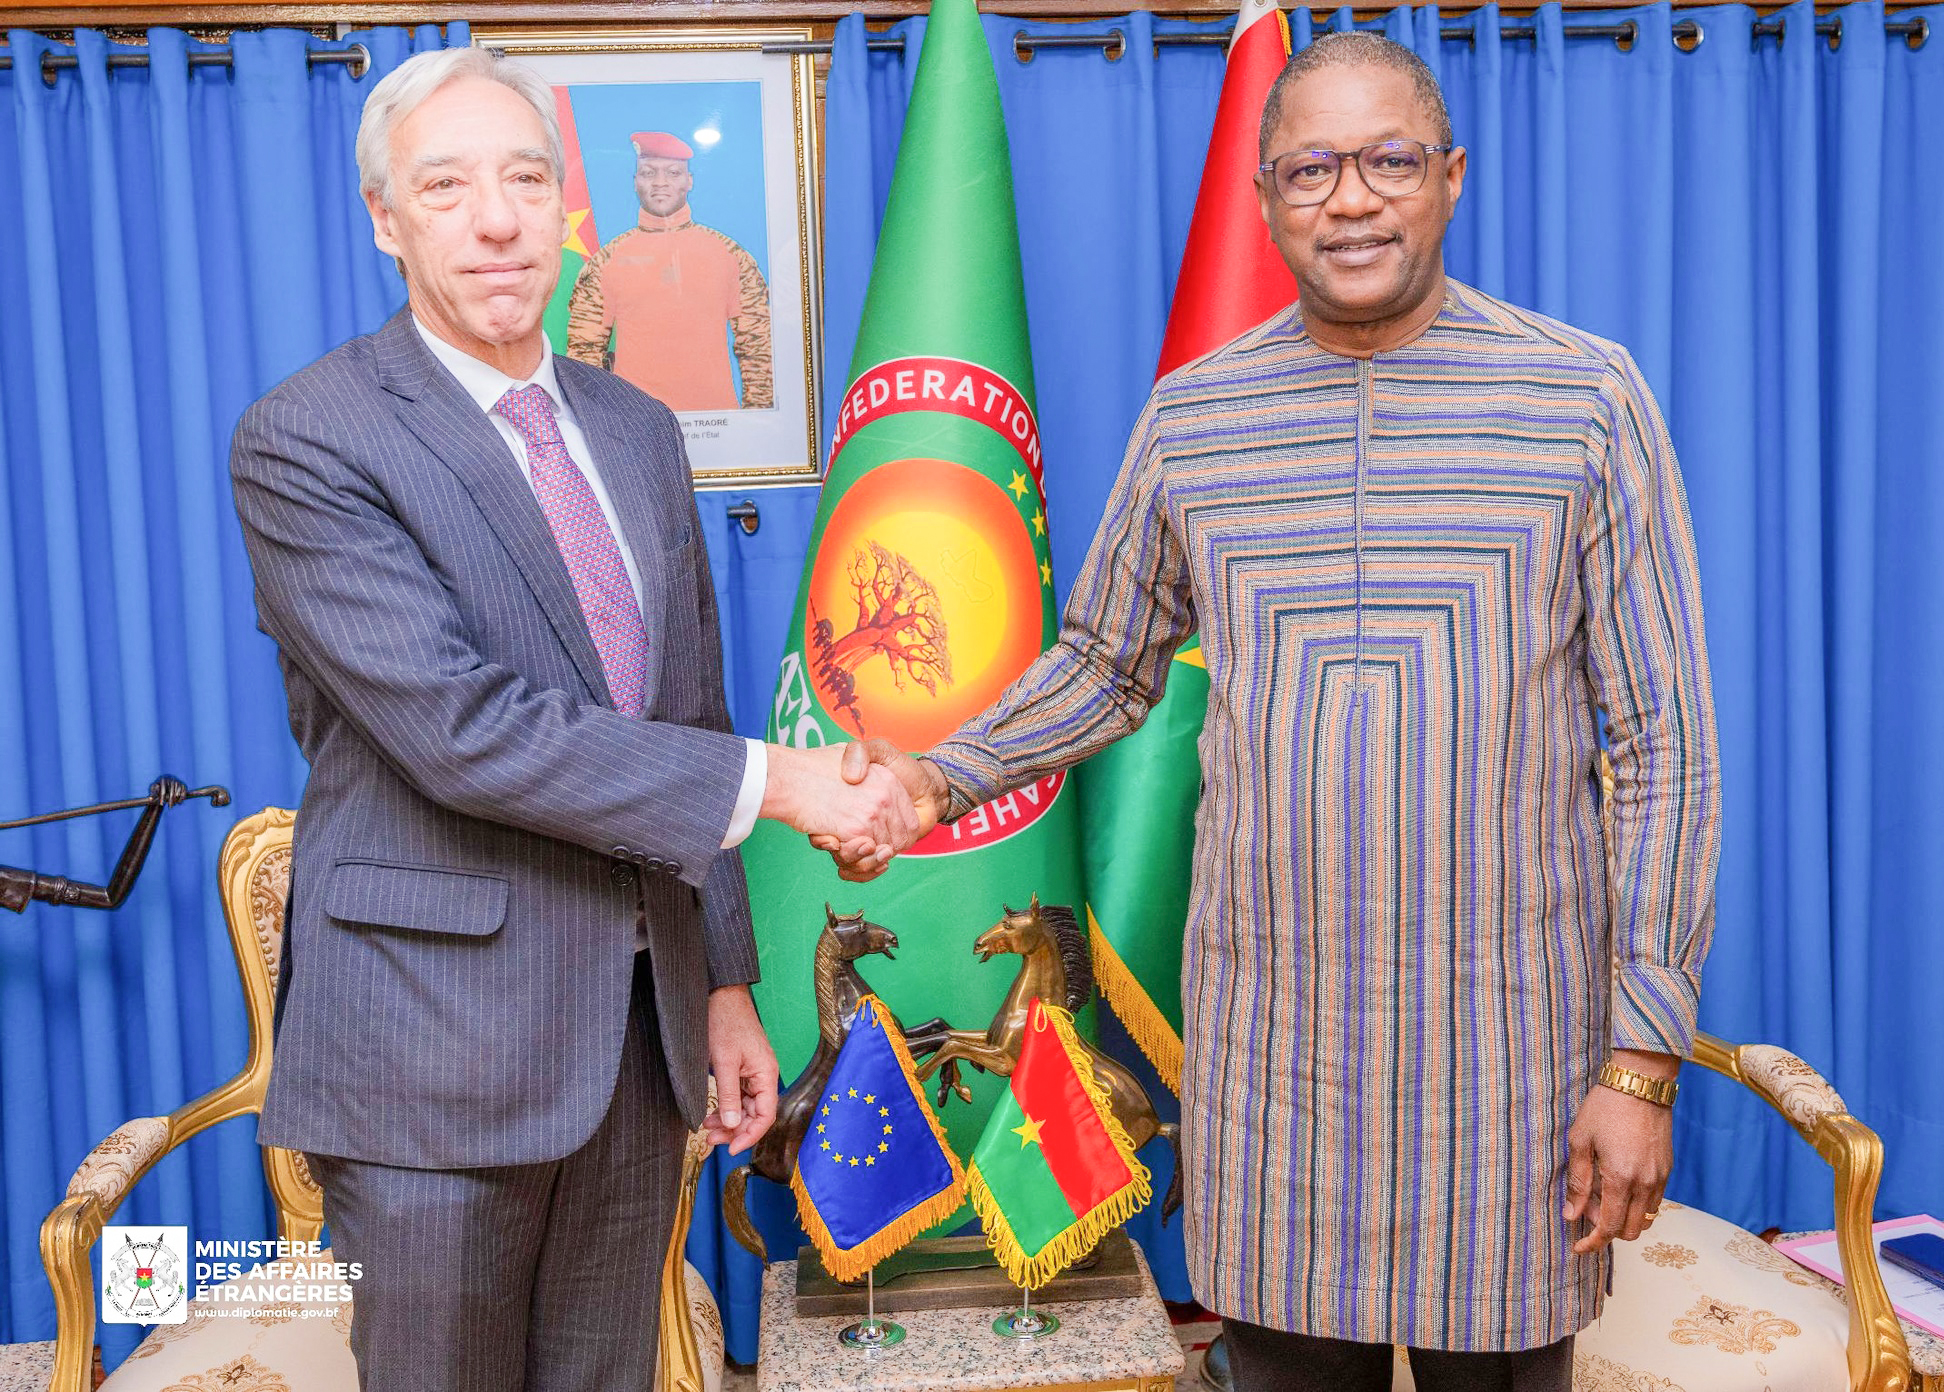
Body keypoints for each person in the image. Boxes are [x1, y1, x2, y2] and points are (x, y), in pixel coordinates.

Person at [829, 32, 1721, 1392]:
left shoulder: (1585, 400)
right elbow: (1105, 663)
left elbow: (1663, 747)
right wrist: (932, 778)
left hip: (1507, 1062)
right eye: (1310, 170)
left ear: (1450, 177)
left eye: (1388, 162)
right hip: (1274, 1068)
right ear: (1264, 199)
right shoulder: (1193, 416)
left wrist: (1641, 1061)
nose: (1350, 199)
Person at [229, 48, 917, 1392]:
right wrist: (790, 784)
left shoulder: (637, 428)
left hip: (634, 1050)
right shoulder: (309, 438)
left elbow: (689, 713)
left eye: (526, 180)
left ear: (565, 208)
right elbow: (464, 731)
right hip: (429, 1059)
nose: (496, 219)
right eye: (447, 186)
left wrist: (722, 983)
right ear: (385, 218)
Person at [565, 130, 773, 412]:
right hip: (636, 426)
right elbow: (583, 355)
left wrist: (756, 423)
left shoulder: (731, 256)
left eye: (673, 173)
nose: (660, 182)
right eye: (648, 173)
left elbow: (758, 349)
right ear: (635, 181)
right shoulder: (606, 262)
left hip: (718, 426)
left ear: (689, 181)